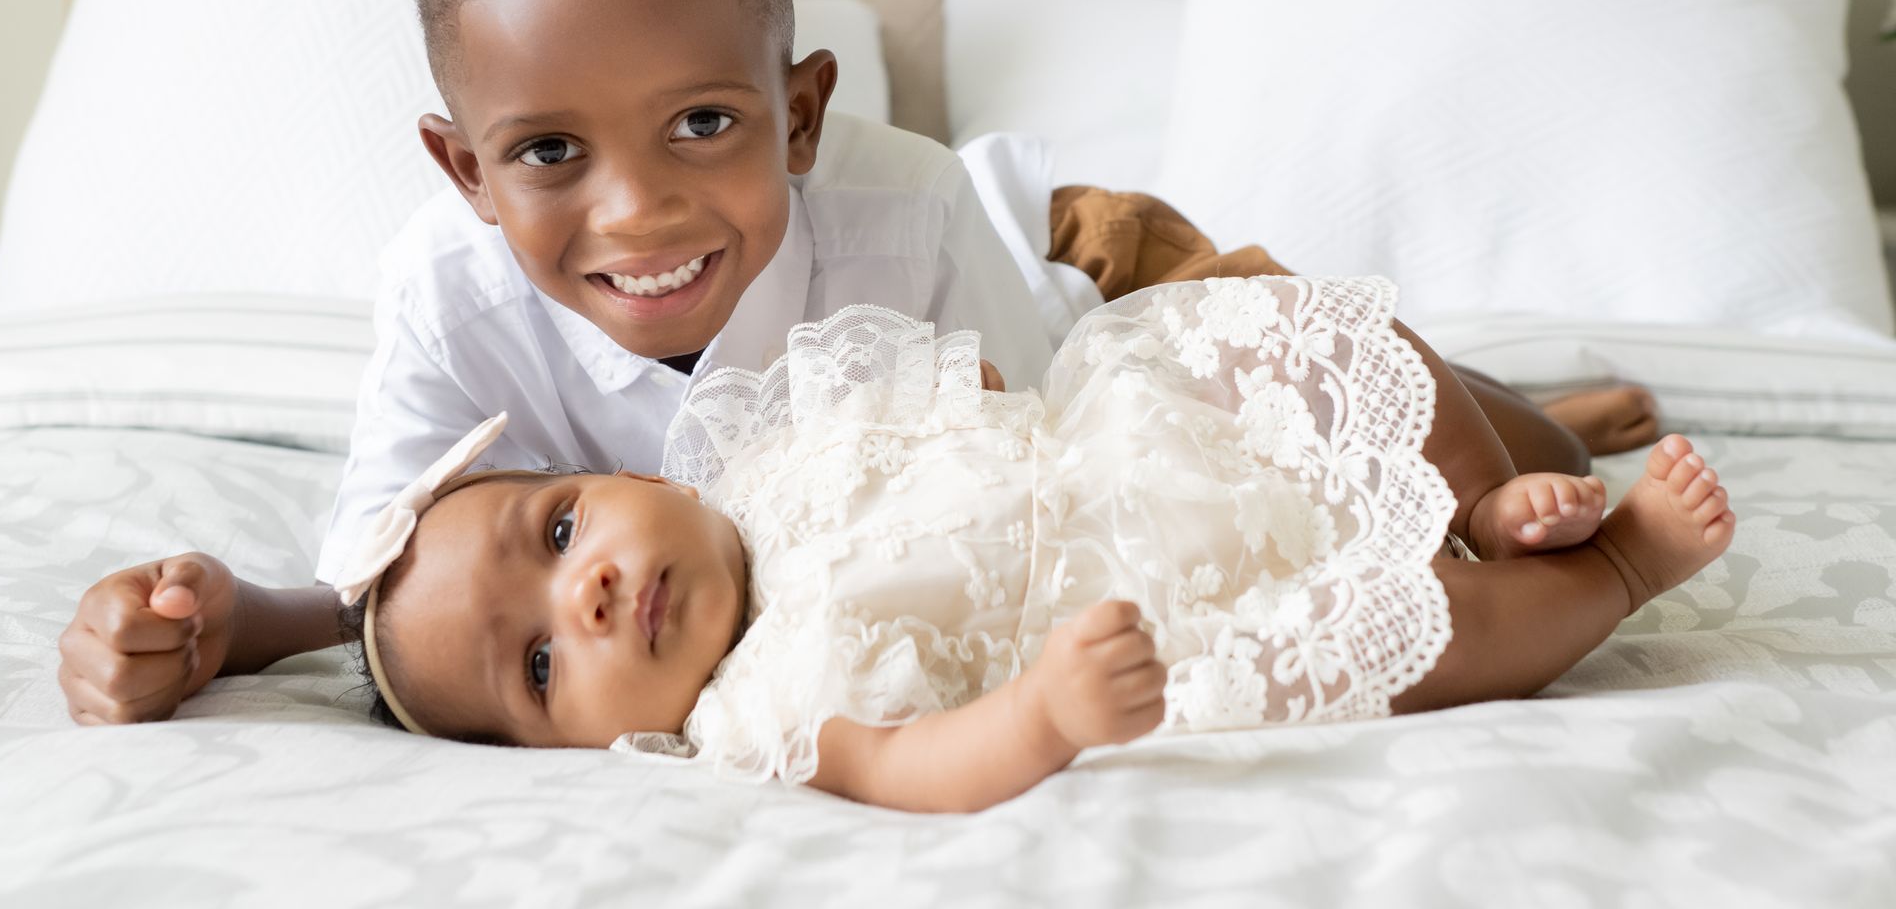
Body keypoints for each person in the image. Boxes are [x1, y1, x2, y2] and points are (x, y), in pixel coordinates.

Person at [54, 0, 1658, 728]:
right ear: (462, 169)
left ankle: (1528, 414)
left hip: (1090, 300)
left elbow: (1092, 465)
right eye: (549, 153)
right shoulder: (446, 297)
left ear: (804, 112)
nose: (635, 216)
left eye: (701, 121)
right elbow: (395, 574)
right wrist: (231, 628)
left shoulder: (899, 215)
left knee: (1346, 390)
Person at [328, 279, 1735, 814]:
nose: (586, 592)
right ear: (578, 750)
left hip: (1137, 438)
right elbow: (909, 766)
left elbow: (949, 396)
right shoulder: (760, 715)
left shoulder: (771, 444)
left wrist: (985, 415)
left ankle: (1488, 497)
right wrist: (1043, 715)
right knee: (1398, 641)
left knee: (1293, 333)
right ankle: (1616, 571)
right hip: (1163, 603)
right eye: (536, 665)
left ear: (625, 467)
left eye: (563, 529)